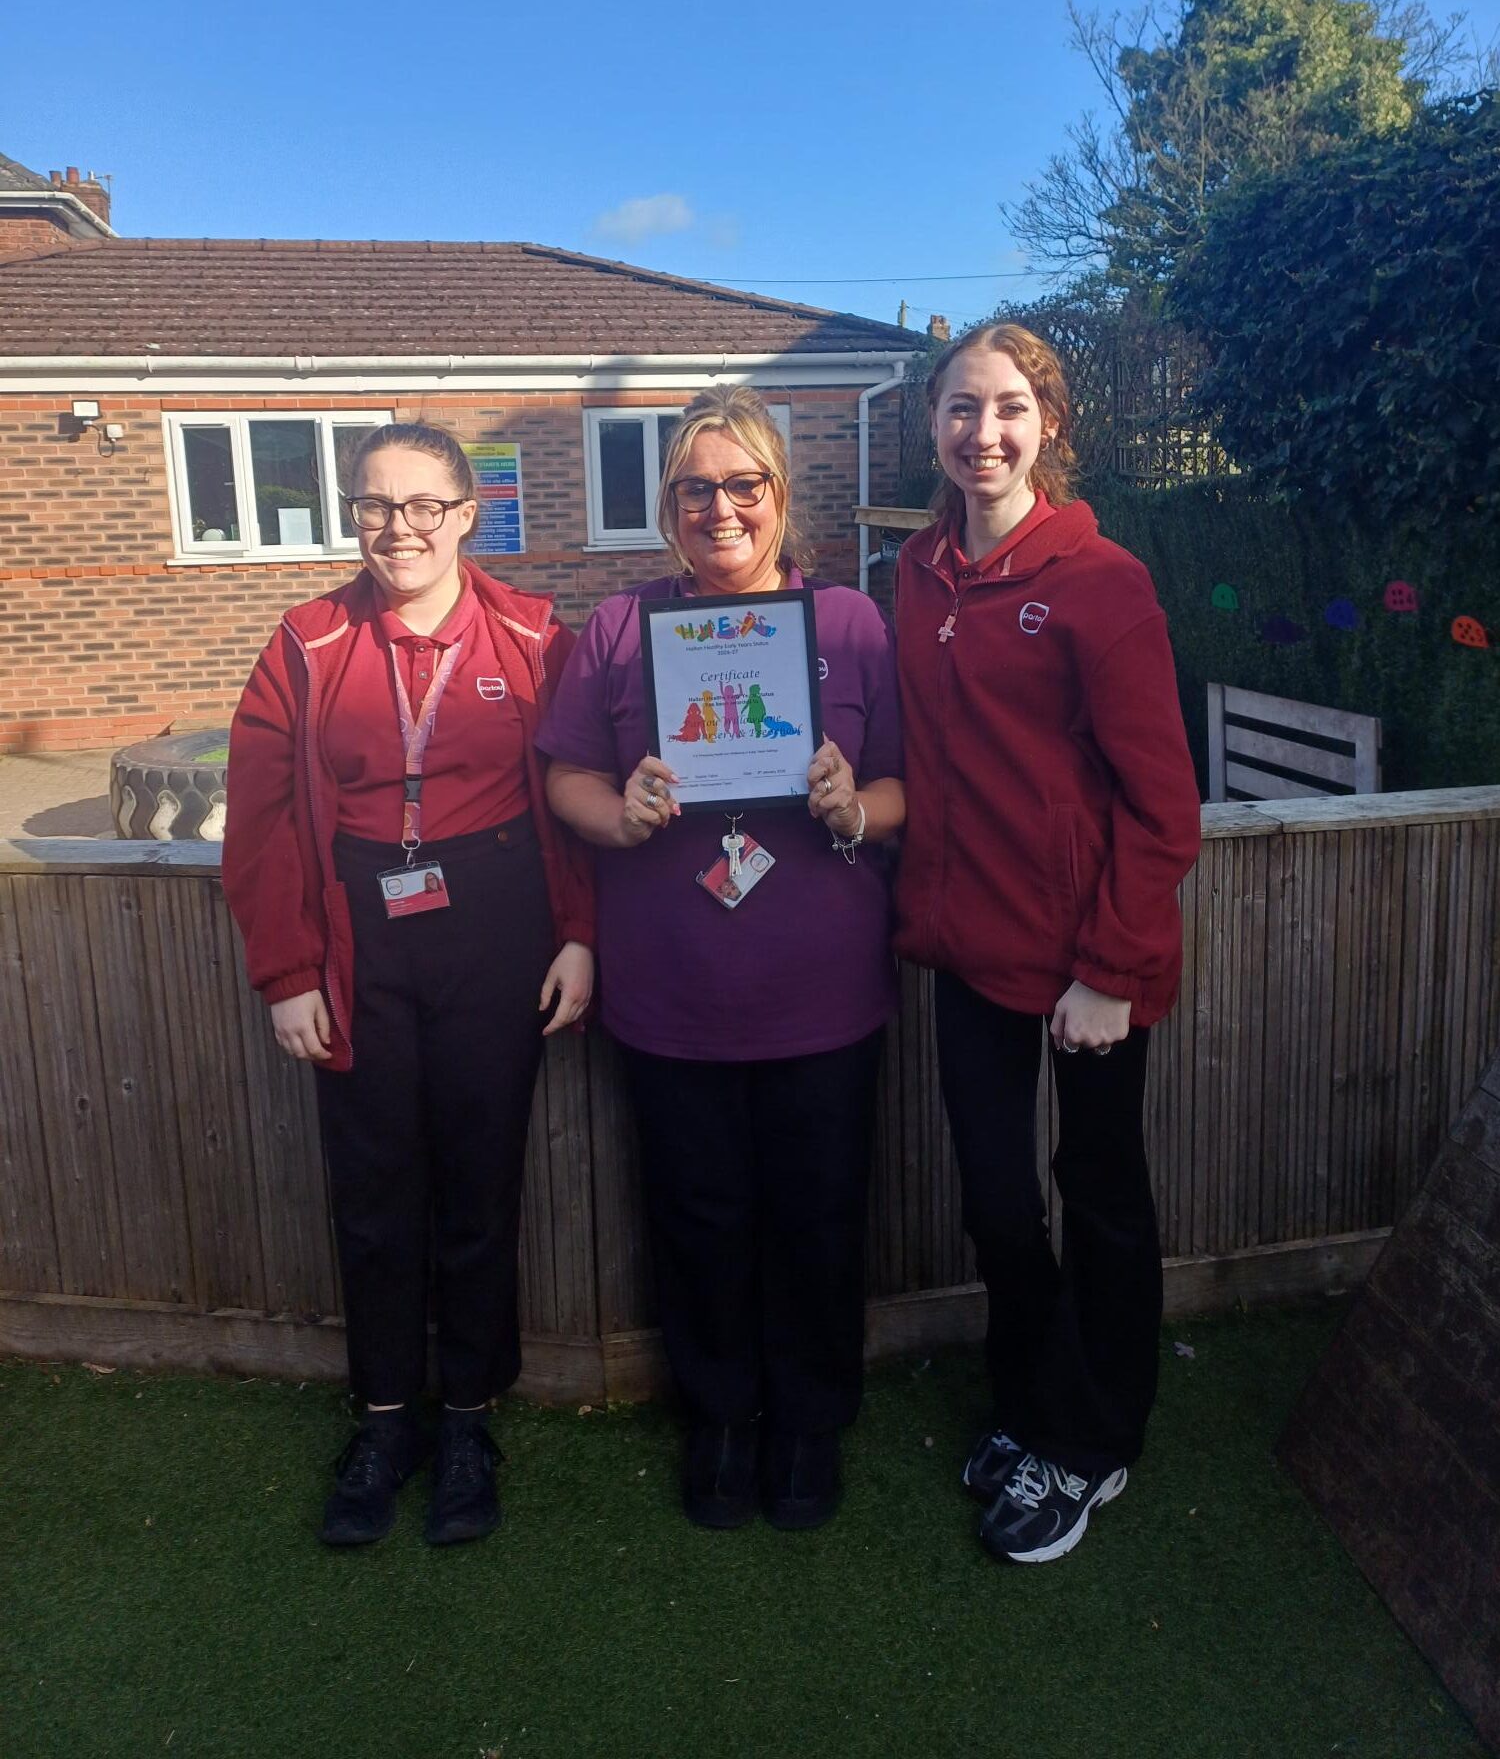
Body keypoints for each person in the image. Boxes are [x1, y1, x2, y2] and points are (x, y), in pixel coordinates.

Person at [222, 423, 593, 1549]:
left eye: (426, 503)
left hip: (497, 925)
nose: (402, 527)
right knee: (375, 1185)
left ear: (469, 511)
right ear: (353, 514)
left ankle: (472, 1417)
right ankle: (385, 1417)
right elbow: (264, 820)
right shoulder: (306, 639)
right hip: (356, 929)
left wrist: (579, 935)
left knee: (481, 1180)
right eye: (378, 505)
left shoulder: (534, 634)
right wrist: (288, 970)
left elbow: (571, 795)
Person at [540, 385, 904, 1531]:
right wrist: (622, 809)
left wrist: (854, 804)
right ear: (669, 504)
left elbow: (905, 787)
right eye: (697, 487)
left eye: (743, 483)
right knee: (696, 1213)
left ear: (779, 495)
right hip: (672, 990)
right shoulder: (616, 627)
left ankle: (806, 1422)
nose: (720, 506)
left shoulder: (848, 621)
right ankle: (721, 1418)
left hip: (822, 994)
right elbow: (564, 774)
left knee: (819, 1212)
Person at [893, 323, 1201, 1565]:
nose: (986, 432)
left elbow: (1162, 804)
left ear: (1051, 424)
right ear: (933, 424)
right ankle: (1028, 1405)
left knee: (1102, 1201)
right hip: (968, 951)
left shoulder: (1101, 580)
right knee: (999, 1203)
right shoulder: (915, 576)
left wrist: (1110, 971)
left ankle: (1094, 1439)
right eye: (962, 408)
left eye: (1011, 407)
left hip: (1090, 967)